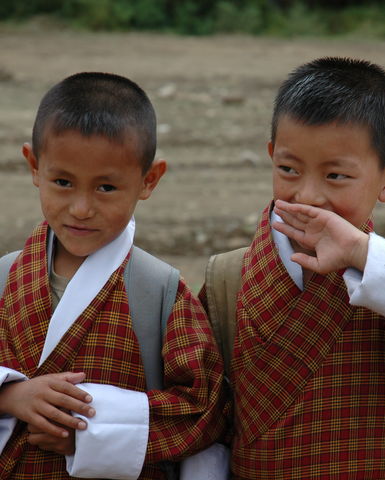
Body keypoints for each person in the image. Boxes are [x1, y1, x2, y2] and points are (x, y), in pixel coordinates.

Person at [200, 57, 385, 479]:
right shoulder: (227, 280)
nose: (308, 195)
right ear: (271, 156)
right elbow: (204, 417)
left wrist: (363, 255)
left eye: (335, 176)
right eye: (289, 170)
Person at [0, 72, 227, 479]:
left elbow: (204, 409)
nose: (82, 208)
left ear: (149, 180)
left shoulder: (159, 291)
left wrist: (93, 434)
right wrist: (10, 394)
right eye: (63, 182)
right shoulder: (2, 277)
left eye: (105, 187)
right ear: (34, 167)